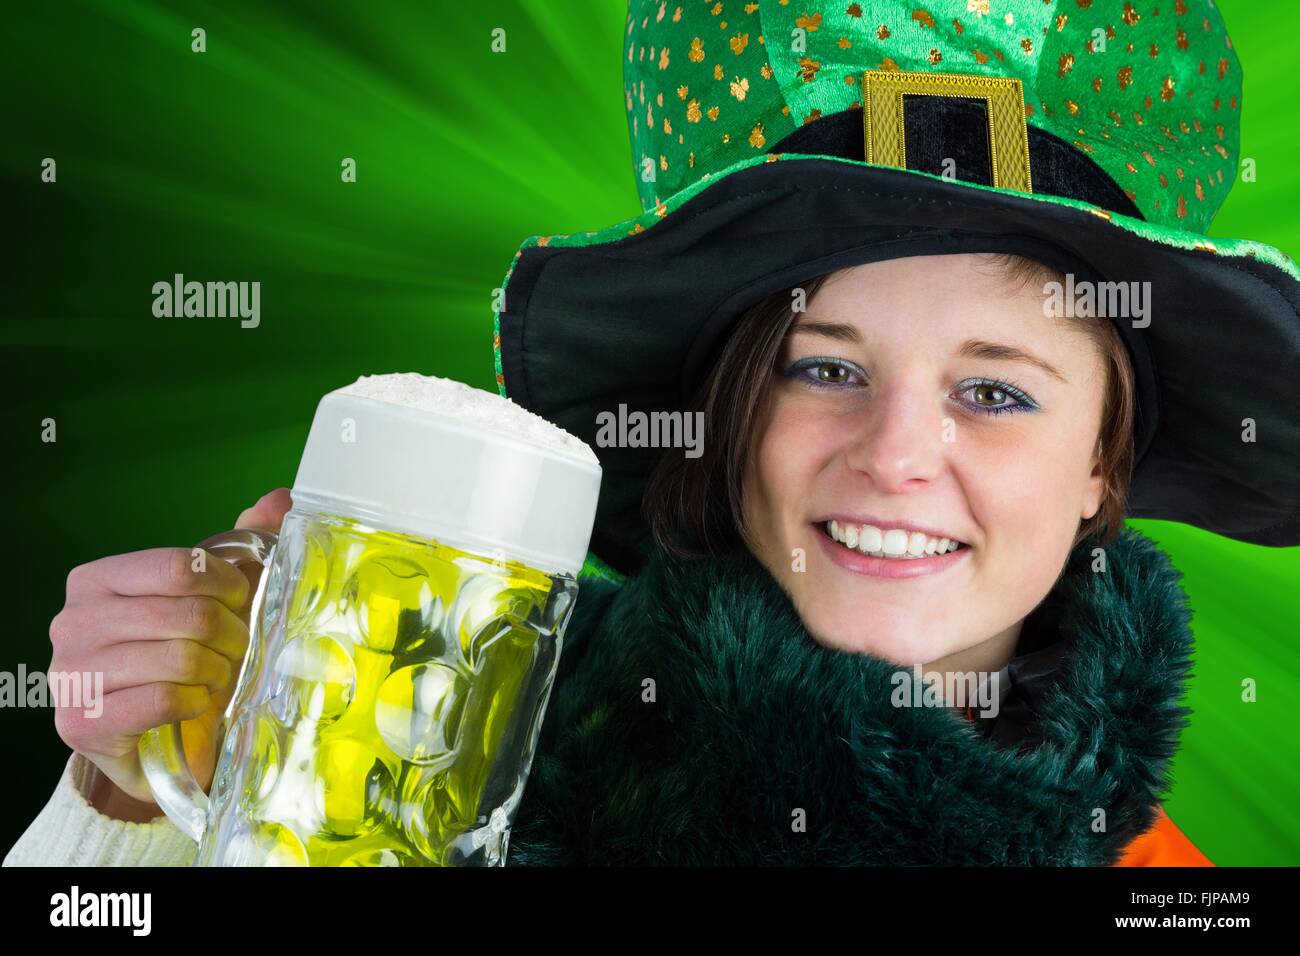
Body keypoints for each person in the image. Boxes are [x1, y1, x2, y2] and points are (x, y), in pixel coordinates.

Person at [7, 0, 1298, 866]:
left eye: (998, 392)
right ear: (730, 419)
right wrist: (142, 805)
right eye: (825, 368)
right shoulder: (444, 730)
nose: (899, 454)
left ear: (1100, 470)